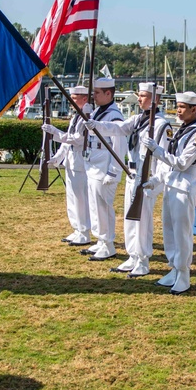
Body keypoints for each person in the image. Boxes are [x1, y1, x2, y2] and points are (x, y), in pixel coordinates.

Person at [85, 82, 171, 277]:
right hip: (133, 175)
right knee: (130, 218)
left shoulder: (160, 125)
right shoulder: (138, 119)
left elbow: (165, 158)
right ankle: (133, 254)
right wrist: (96, 125)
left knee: (142, 221)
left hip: (148, 179)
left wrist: (156, 181)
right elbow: (119, 128)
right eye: (139, 95)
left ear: (155, 99)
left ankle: (143, 259)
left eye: (143, 96)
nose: (139, 99)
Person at [143, 91, 196, 295]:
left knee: (182, 233)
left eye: (182, 107)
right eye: (177, 106)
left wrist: (157, 151)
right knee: (169, 232)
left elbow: (181, 163)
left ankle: (184, 274)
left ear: (194, 109)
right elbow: (171, 164)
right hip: (172, 184)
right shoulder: (183, 130)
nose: (178, 111)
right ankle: (173, 268)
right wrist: (156, 180)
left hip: (184, 187)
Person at [41, 85, 93, 247]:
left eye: (75, 98)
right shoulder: (75, 117)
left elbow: (77, 139)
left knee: (80, 200)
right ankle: (77, 229)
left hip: (81, 163)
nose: (71, 101)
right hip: (71, 162)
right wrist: (57, 158)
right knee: (71, 198)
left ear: (84, 99)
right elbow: (66, 143)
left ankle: (84, 232)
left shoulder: (87, 117)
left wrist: (56, 132)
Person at [81, 76, 126, 261]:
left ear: (109, 93)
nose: (94, 96)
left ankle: (108, 244)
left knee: (103, 207)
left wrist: (114, 171)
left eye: (97, 93)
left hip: (104, 167)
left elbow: (119, 146)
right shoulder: (99, 112)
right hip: (93, 165)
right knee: (94, 206)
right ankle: (100, 240)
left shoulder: (114, 115)